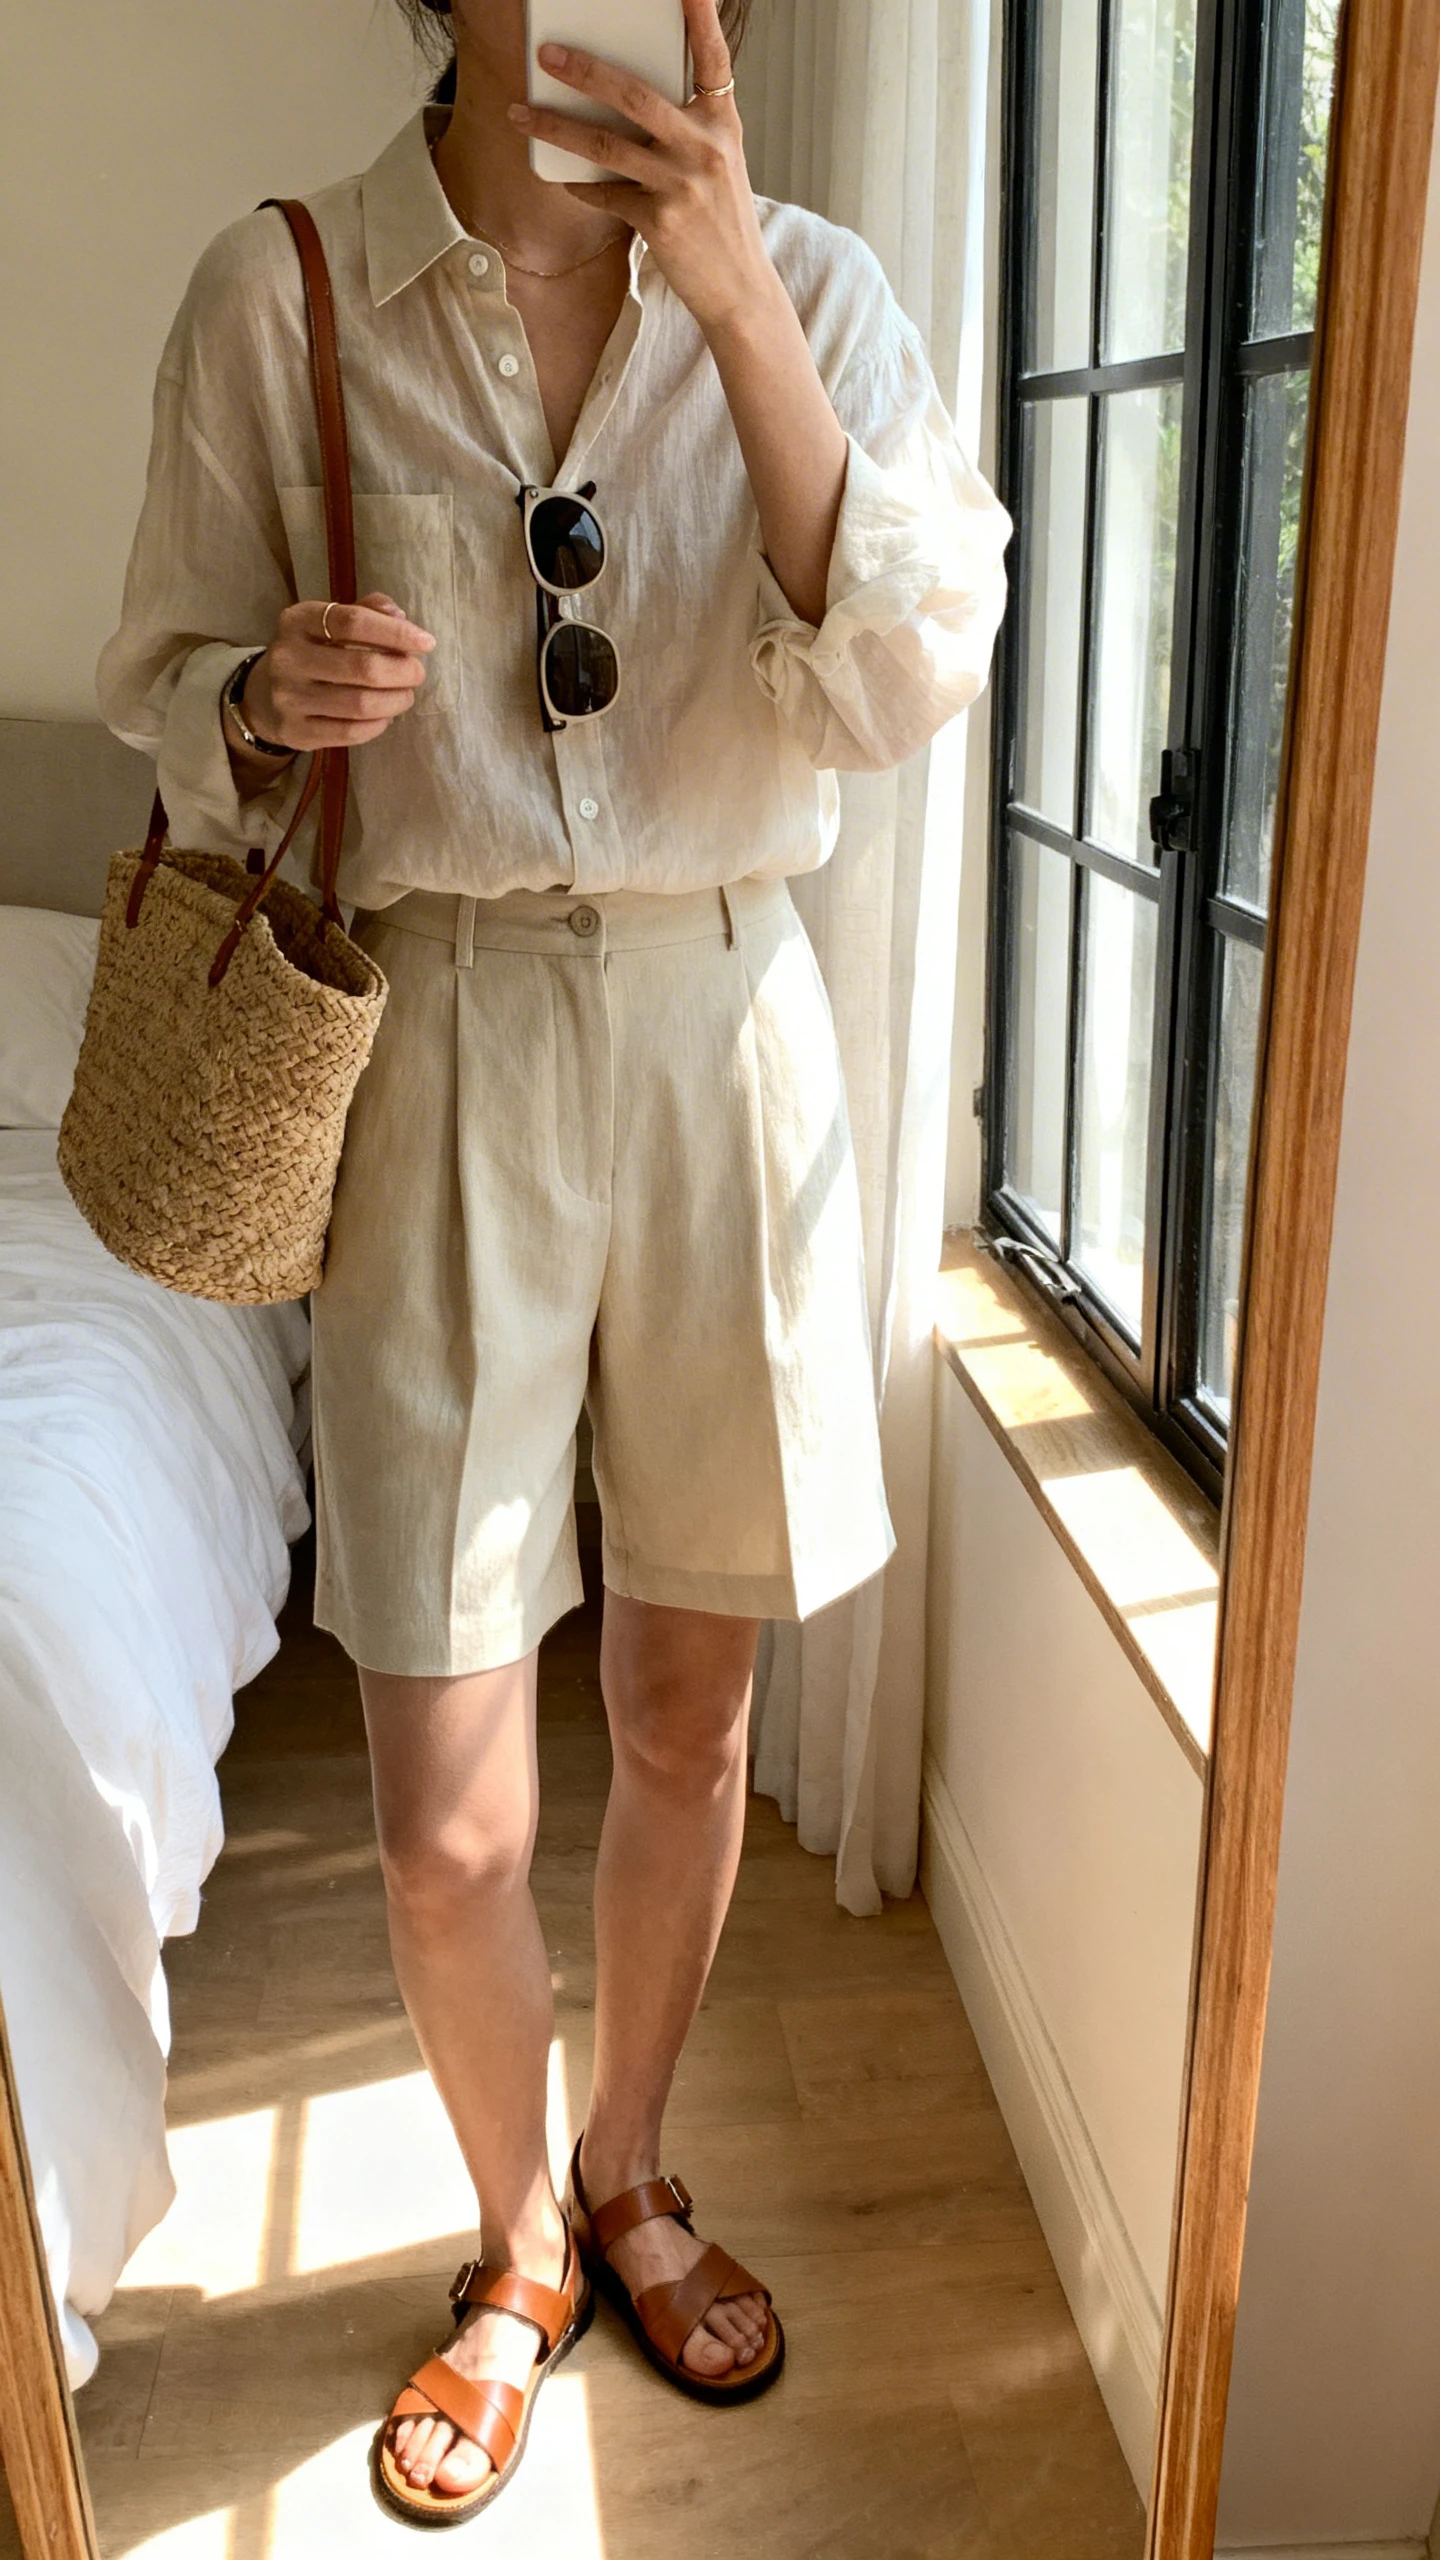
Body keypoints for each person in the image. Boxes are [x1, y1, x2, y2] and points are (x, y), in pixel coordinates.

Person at [98, 0, 1009, 2524]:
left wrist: (734, 302)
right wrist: (259, 701)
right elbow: (158, 683)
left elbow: (908, 675)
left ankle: (621, 2164)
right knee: (443, 1813)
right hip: (443, 1033)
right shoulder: (285, 289)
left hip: (730, 1022)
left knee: (692, 1712)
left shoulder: (815, 285)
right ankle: (511, 2240)